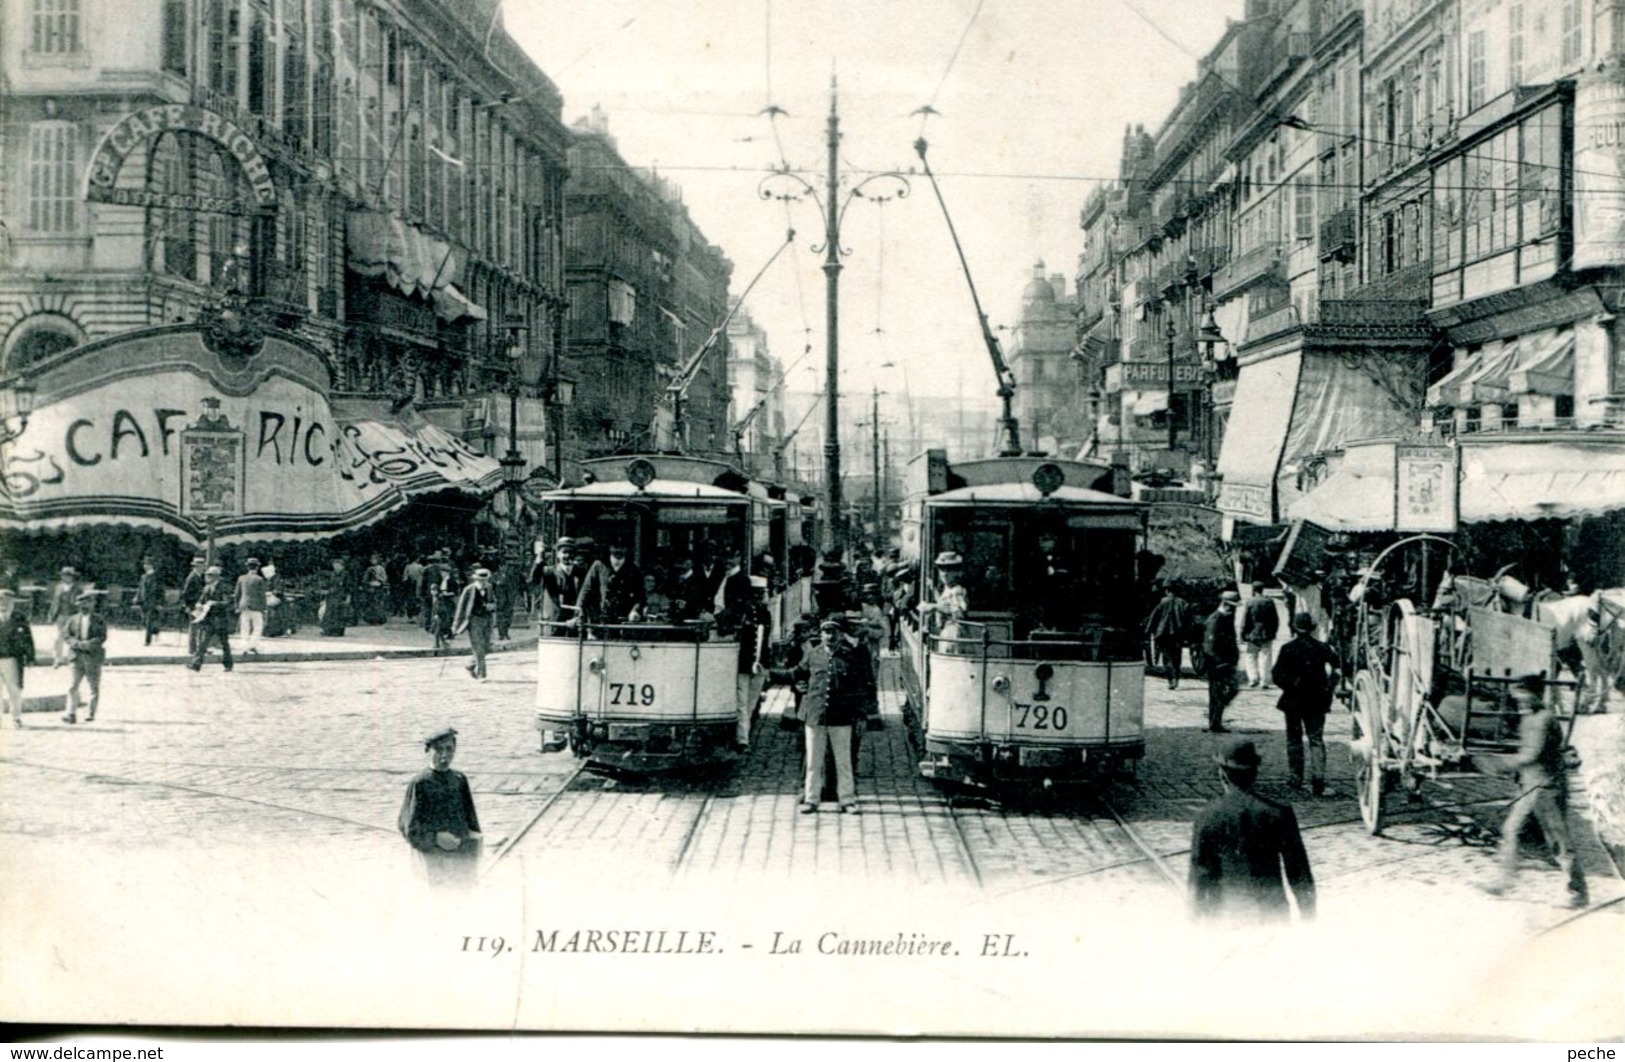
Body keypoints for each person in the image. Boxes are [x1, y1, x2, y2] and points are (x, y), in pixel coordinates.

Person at [1482, 674, 1588, 908]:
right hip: (1532, 787)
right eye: (1516, 697)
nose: (1519, 701)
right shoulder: (1530, 717)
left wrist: (1499, 763)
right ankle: (1504, 881)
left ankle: (1577, 892)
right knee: (1511, 829)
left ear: (1535, 694)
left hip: (1547, 788)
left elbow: (1532, 754)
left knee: (1558, 841)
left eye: (1523, 696)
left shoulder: (1543, 719)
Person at [1189, 738, 1316, 923]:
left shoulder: (1207, 815)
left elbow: (1199, 876)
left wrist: (1194, 921)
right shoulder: (1279, 813)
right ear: (1255, 774)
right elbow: (1299, 872)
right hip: (1273, 916)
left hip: (1226, 918)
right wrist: (1309, 917)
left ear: (1222, 775)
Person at [397, 726, 483, 886]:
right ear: (428, 751)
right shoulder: (420, 783)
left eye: (449, 749)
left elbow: (472, 825)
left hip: (461, 860)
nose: (445, 755)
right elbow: (409, 829)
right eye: (438, 749)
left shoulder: (459, 780)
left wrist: (475, 849)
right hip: (434, 862)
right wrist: (435, 838)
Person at [794, 618, 859, 814]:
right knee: (814, 760)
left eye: (834, 632)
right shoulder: (813, 655)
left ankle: (847, 800)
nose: (830, 636)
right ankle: (811, 799)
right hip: (816, 715)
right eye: (826, 632)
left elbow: (859, 687)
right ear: (821, 635)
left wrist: (861, 715)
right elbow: (797, 673)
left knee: (843, 760)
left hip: (841, 716)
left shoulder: (849, 656)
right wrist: (770, 675)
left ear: (840, 635)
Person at [1271, 613, 1340, 796]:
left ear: (1293, 627)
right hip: (1317, 701)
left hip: (1293, 701)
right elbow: (1338, 668)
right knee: (1316, 740)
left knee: (1294, 739)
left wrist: (1290, 686)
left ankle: (1295, 778)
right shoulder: (1322, 648)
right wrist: (1329, 688)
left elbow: (1276, 675)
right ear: (1312, 628)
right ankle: (1318, 780)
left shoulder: (1287, 648)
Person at [733, 575, 770, 752]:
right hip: (743, 663)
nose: (758, 597)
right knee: (742, 703)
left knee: (751, 702)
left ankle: (744, 734)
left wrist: (764, 662)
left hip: (760, 662)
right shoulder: (741, 612)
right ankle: (742, 740)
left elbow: (766, 640)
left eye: (760, 594)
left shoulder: (765, 613)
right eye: (756, 594)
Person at [61, 590, 107, 724]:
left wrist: (89, 644)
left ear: (92, 604)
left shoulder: (99, 619)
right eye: (82, 604)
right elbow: (66, 635)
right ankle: (71, 713)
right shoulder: (73, 619)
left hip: (92, 656)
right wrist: (76, 643)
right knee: (72, 686)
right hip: (76, 656)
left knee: (93, 685)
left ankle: (90, 712)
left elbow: (102, 636)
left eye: (88, 603)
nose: (85, 606)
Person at [576, 542, 646, 626]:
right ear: (610, 548)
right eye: (616, 547)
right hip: (600, 618)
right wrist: (578, 611)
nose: (619, 550)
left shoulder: (633, 569)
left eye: (622, 547)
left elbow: (639, 595)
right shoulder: (599, 565)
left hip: (623, 619)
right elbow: (586, 589)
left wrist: (635, 610)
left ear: (627, 549)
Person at [1203, 590, 1242, 733]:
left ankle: (1215, 721)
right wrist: (1220, 663)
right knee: (1219, 692)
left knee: (1224, 691)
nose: (1234, 609)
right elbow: (1210, 645)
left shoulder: (1226, 617)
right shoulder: (1216, 619)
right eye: (1232, 606)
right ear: (1225, 604)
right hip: (1218, 664)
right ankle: (1214, 722)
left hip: (1226, 662)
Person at [0, 588, 37, 729]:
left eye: (8, 601)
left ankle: (16, 717)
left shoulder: (19, 618)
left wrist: (30, 657)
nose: (4, 604)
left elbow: (28, 638)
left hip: (12, 659)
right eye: (1, 601)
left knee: (14, 689)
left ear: (13, 603)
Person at [187, 565, 234, 672]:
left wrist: (215, 603)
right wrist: (199, 604)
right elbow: (201, 600)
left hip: (220, 619)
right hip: (208, 619)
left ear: (217, 577)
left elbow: (228, 603)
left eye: (211, 575)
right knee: (203, 642)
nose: (208, 577)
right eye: (207, 575)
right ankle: (196, 664)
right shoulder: (206, 587)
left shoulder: (224, 587)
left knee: (224, 643)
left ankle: (228, 663)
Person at [918, 551, 969, 650]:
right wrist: (933, 589)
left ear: (957, 572)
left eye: (949, 570)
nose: (945, 574)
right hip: (947, 632)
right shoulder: (948, 589)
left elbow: (960, 614)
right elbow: (944, 603)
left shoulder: (957, 590)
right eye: (942, 570)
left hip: (954, 634)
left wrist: (933, 607)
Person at [1144, 583, 1191, 690]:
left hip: (1163, 634)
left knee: (1167, 657)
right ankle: (1176, 678)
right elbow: (1188, 621)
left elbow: (1153, 617)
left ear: (1167, 591)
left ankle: (1171, 680)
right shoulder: (1183, 603)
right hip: (1177, 635)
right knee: (1176, 657)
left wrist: (1148, 631)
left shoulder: (1162, 602)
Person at [453, 567, 495, 680]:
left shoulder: (489, 588)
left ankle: (470, 665)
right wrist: (455, 625)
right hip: (473, 620)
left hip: (487, 620)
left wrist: (492, 606)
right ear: (476, 579)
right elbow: (460, 607)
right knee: (478, 647)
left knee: (486, 647)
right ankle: (482, 674)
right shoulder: (468, 589)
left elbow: (493, 601)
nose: (483, 582)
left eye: (485, 580)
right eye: (481, 580)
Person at [536, 539, 583, 633]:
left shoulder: (581, 572)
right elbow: (534, 580)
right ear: (558, 554)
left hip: (574, 622)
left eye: (571, 552)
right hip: (554, 621)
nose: (568, 556)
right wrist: (538, 560)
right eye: (564, 552)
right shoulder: (549, 571)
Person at [1240, 581, 1280, 689]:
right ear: (1263, 589)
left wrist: (1243, 633)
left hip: (1253, 633)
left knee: (1250, 656)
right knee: (1266, 656)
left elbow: (1245, 620)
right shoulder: (1269, 602)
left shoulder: (1250, 602)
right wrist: (1273, 631)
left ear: (1253, 590)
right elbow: (1275, 619)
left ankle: (1253, 678)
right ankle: (1264, 680)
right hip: (1267, 633)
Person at [46, 566, 84, 668]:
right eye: (64, 576)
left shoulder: (77, 589)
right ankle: (57, 659)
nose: (66, 578)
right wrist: (51, 615)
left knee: (72, 638)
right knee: (59, 637)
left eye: (69, 576)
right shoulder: (58, 587)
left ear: (72, 577)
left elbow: (81, 604)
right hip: (61, 615)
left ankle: (71, 659)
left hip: (72, 615)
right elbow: (55, 603)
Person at [235, 557, 268, 656]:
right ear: (257, 567)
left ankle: (244, 647)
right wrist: (264, 607)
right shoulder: (259, 579)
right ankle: (251, 645)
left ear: (247, 567)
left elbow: (237, 593)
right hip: (256, 606)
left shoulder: (241, 578)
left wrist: (237, 606)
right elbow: (262, 595)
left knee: (245, 627)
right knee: (258, 627)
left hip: (244, 605)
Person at [178, 556, 208, 657]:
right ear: (197, 566)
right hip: (193, 606)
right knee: (194, 627)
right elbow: (185, 593)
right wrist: (186, 605)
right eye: (202, 566)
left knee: (201, 627)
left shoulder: (199, 577)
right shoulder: (192, 577)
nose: (203, 568)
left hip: (198, 605)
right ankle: (192, 649)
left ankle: (200, 648)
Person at [137, 558, 164, 647]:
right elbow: (140, 588)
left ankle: (147, 641)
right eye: (145, 564)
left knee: (149, 621)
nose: (145, 566)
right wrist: (137, 598)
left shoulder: (156, 577)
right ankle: (155, 630)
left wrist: (159, 602)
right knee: (144, 620)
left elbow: (160, 591)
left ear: (151, 566)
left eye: (147, 564)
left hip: (152, 602)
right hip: (143, 602)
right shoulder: (143, 576)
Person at [402, 555, 426, 620]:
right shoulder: (420, 566)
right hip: (418, 584)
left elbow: (404, 577)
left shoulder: (408, 566)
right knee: (417, 599)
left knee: (409, 599)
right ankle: (416, 614)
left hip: (409, 584)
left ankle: (410, 615)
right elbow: (423, 575)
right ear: (417, 559)